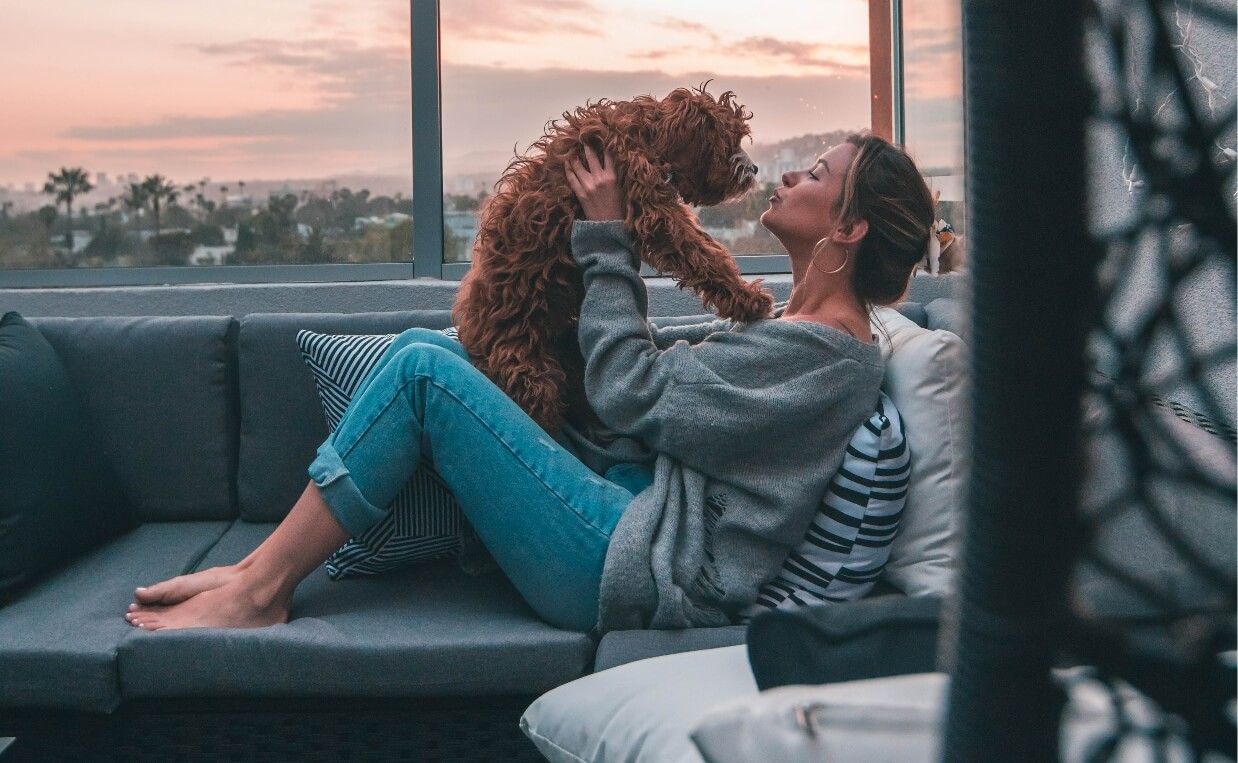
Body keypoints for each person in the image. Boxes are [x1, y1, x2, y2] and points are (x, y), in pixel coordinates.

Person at [124, 132, 934, 633]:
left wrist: (604, 237)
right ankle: (254, 568)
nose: (790, 176)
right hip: (627, 500)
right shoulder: (800, 332)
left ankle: (261, 588)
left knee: (418, 372)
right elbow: (669, 387)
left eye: (817, 175)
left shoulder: (829, 358)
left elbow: (632, 392)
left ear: (848, 227)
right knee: (424, 342)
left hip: (625, 562)